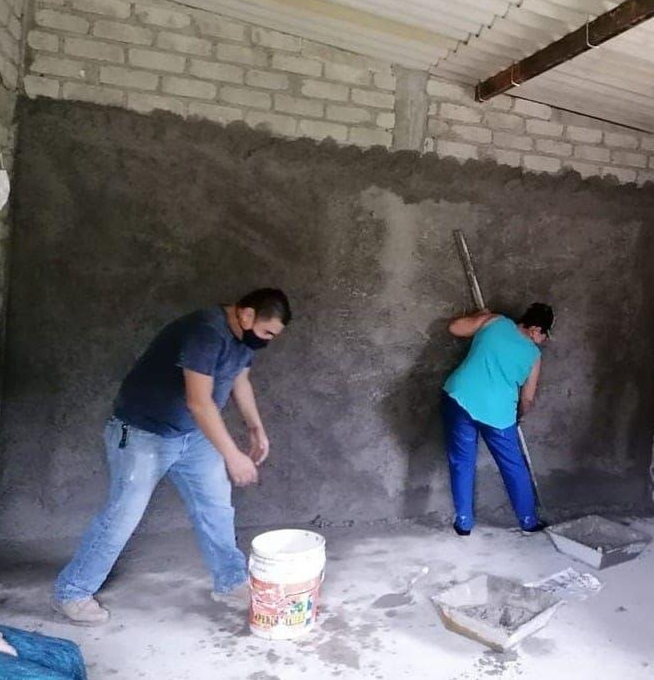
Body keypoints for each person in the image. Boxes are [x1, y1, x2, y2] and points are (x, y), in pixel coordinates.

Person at [52, 288, 291, 625]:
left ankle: (230, 582)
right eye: (267, 333)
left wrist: (255, 428)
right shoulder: (206, 331)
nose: (266, 341)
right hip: (143, 434)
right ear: (247, 314)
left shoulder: (244, 339)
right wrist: (232, 455)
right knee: (123, 514)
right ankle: (71, 592)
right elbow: (199, 402)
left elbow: (241, 380)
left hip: (193, 436)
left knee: (216, 508)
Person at [441, 303, 554, 536]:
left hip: (460, 397)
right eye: (545, 334)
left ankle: (464, 522)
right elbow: (528, 398)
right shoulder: (533, 356)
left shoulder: (495, 321)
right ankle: (528, 521)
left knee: (462, 462)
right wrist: (518, 416)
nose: (544, 340)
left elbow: (455, 328)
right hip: (498, 413)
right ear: (535, 330)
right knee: (513, 465)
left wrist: (480, 317)